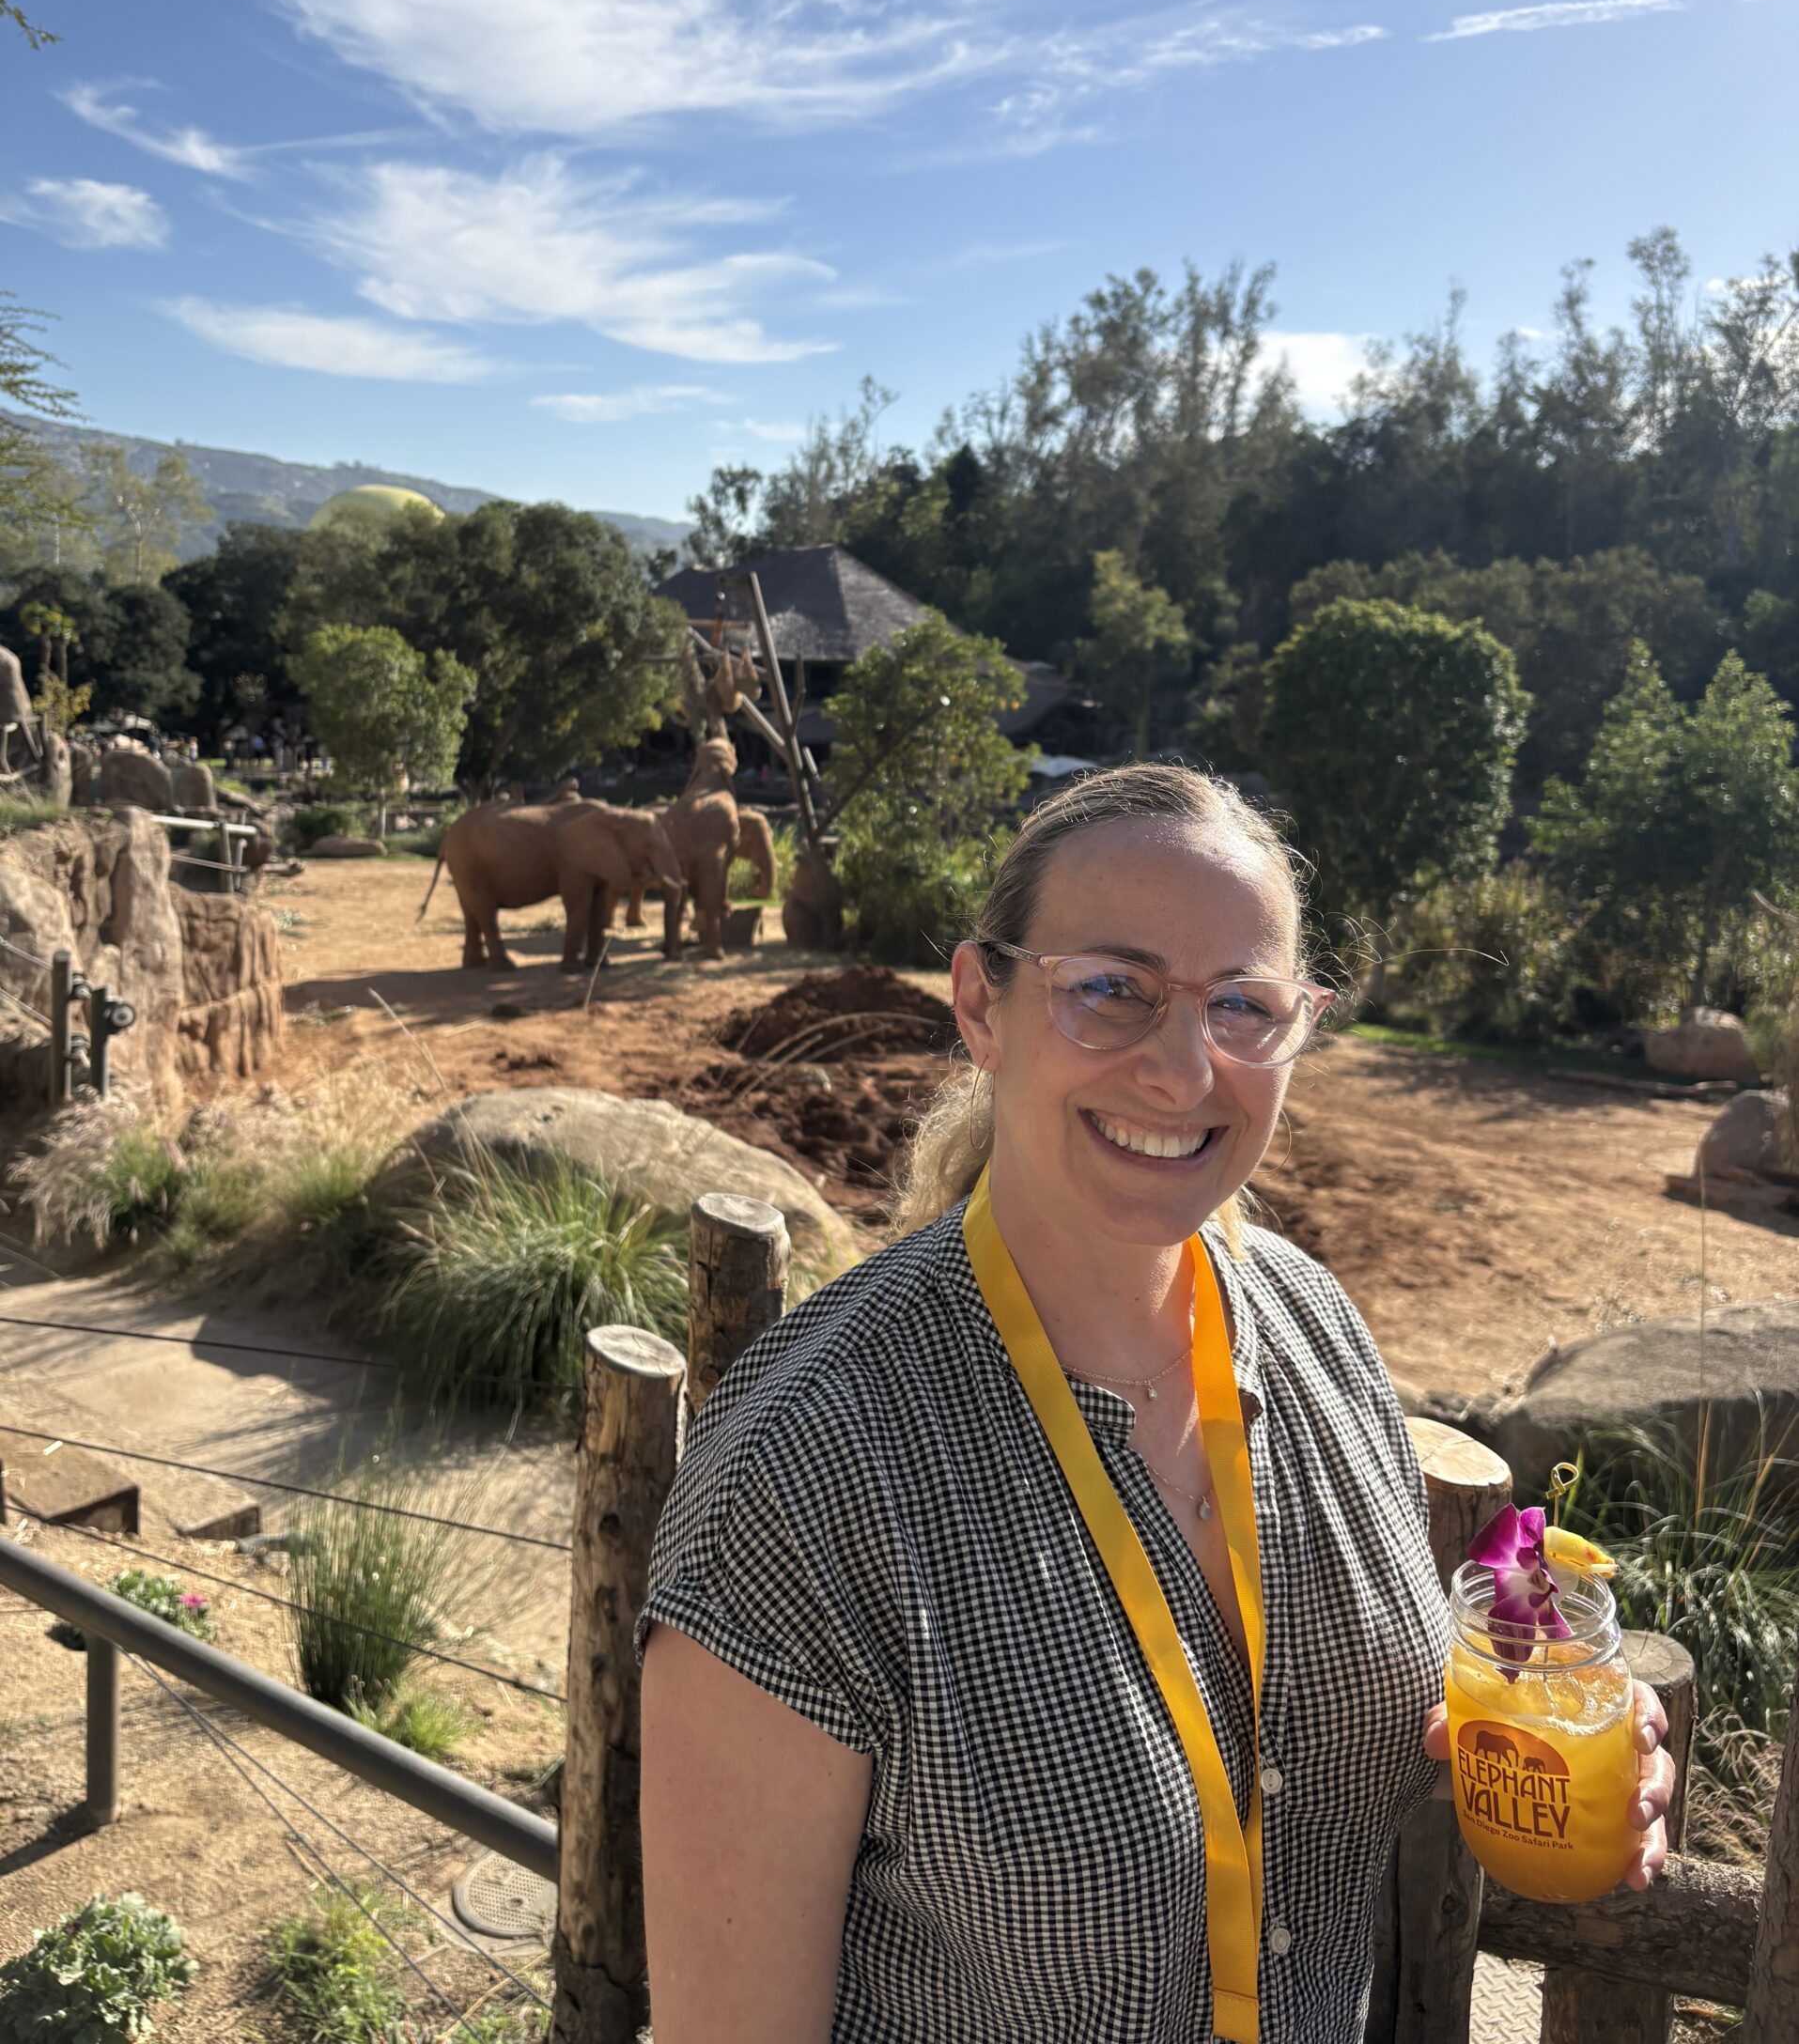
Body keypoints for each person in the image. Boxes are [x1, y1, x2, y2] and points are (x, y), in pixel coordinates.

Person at [636, 763, 1673, 2042]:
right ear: (982, 1003)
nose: (1184, 1072)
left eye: (1244, 1006)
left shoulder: (1316, 1331)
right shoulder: (807, 1473)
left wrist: (1542, 1747)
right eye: (1113, 990)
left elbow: (1355, 1721)